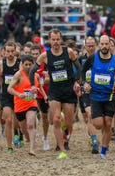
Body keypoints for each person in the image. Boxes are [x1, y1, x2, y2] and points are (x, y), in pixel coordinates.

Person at [30, 29, 81, 159]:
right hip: (54, 91)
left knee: (69, 124)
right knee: (56, 120)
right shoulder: (44, 56)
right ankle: (62, 149)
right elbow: (32, 71)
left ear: (61, 39)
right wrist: (32, 85)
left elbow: (79, 67)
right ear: (49, 40)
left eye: (58, 39)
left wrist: (76, 81)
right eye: (53, 39)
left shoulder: (68, 52)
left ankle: (65, 135)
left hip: (68, 91)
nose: (56, 42)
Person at [80, 35, 115, 159]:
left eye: (107, 44)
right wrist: (85, 83)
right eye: (102, 44)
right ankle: (98, 139)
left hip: (109, 97)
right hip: (95, 97)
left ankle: (103, 151)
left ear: (110, 45)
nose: (105, 46)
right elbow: (82, 71)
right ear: (99, 45)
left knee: (107, 123)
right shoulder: (92, 58)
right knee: (98, 124)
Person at [7, 54, 46, 155]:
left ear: (33, 65)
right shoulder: (18, 75)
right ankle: (29, 138)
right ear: (22, 64)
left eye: (30, 64)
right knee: (24, 131)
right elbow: (9, 89)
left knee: (30, 125)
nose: (28, 66)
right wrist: (19, 94)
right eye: (26, 64)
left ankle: (32, 150)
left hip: (31, 104)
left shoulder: (36, 75)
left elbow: (40, 87)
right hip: (19, 106)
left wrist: (45, 96)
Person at [0, 42, 20, 153]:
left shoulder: (20, 64)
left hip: (17, 95)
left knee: (17, 120)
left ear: (15, 51)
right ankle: (9, 146)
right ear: (4, 52)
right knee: (8, 120)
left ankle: (16, 133)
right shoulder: (1, 64)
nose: (10, 54)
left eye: (12, 51)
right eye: (8, 51)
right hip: (5, 95)